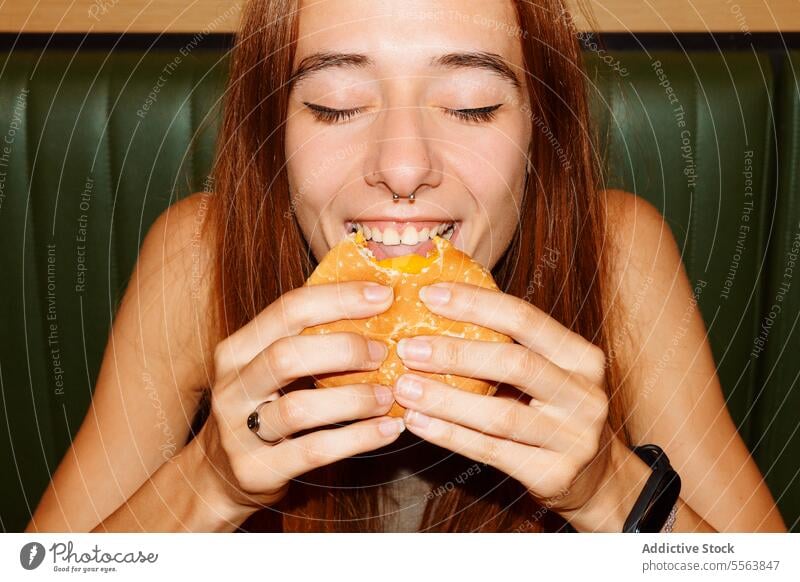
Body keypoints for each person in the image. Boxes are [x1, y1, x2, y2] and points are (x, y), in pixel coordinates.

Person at [27, 0, 786, 533]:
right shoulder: (198, 256)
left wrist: (610, 492)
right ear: (274, 133)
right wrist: (210, 484)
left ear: (538, 136)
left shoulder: (617, 253)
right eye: (335, 103)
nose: (402, 165)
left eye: (471, 105)